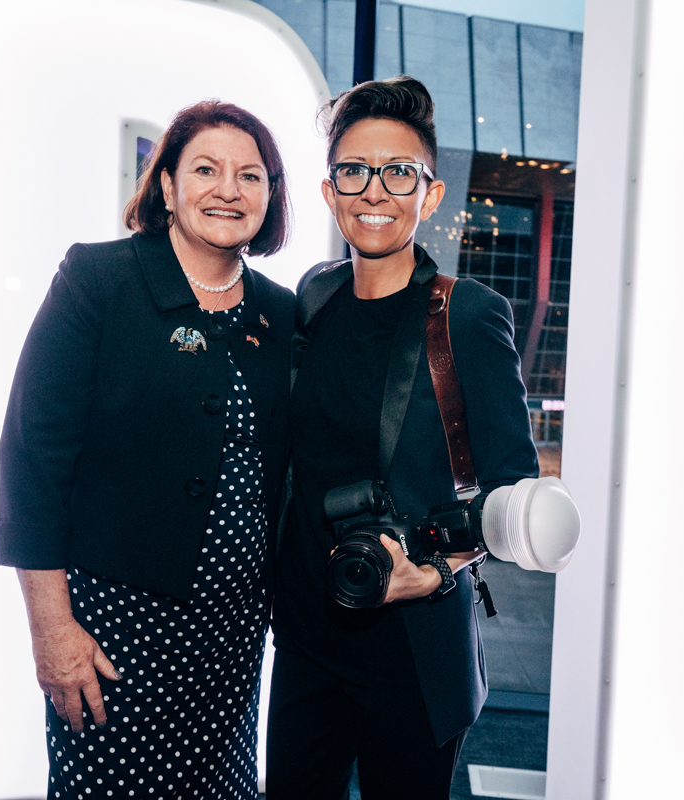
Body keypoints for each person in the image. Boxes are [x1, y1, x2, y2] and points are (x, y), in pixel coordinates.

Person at [0, 100, 296, 800]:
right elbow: (32, 461)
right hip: (114, 633)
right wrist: (51, 629)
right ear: (165, 186)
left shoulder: (280, 312)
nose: (229, 189)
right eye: (206, 169)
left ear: (270, 196)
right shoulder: (98, 282)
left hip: (230, 638)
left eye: (250, 176)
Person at [267, 76, 540, 799]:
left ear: (431, 193)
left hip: (413, 650)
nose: (375, 190)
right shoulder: (314, 299)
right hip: (304, 636)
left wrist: (441, 568)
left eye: (400, 171)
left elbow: (510, 487)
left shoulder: (469, 316)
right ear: (330, 192)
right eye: (354, 171)